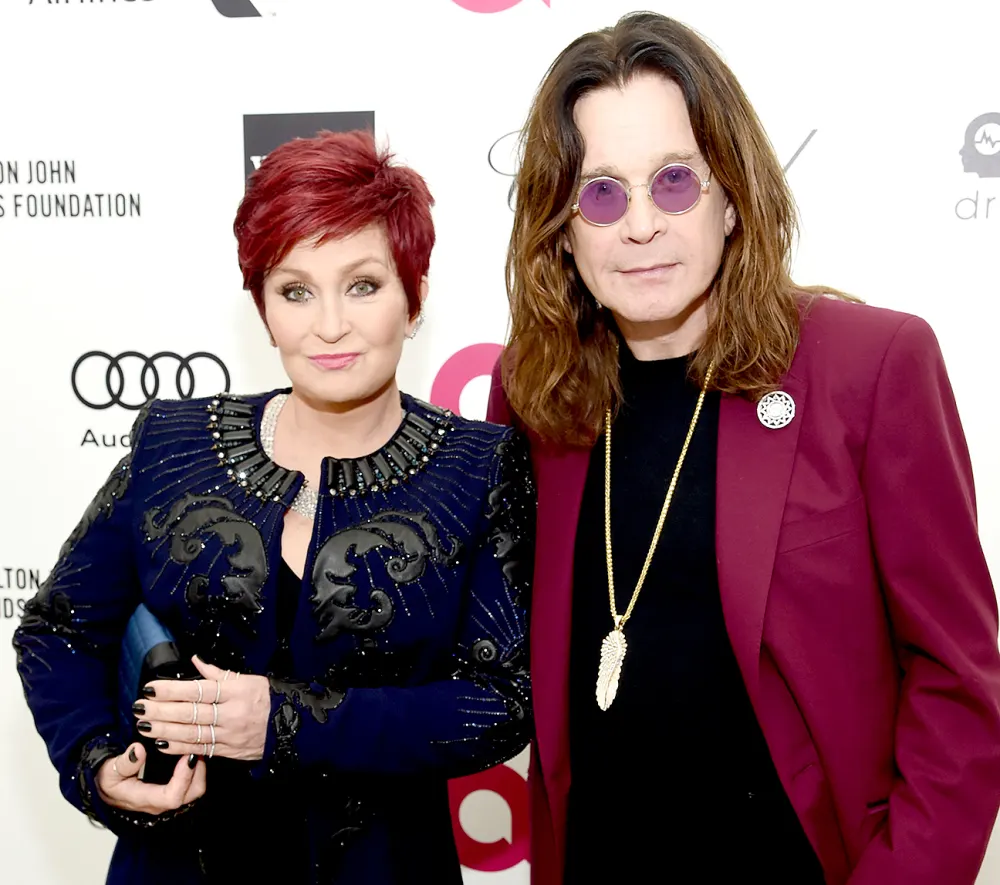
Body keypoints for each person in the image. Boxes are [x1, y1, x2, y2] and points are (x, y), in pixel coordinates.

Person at [487, 12, 1000, 885]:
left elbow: (959, 684)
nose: (640, 225)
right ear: (561, 231)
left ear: (732, 195)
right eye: (602, 194)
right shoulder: (532, 395)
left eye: (676, 182)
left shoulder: (869, 366)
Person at [14, 129, 534, 885]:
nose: (328, 325)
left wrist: (283, 720)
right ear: (263, 310)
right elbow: (57, 629)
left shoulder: (478, 469)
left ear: (415, 297)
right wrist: (97, 760)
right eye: (296, 290)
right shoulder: (175, 444)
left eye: (362, 284)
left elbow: (501, 701)